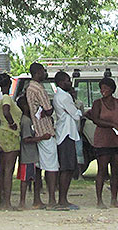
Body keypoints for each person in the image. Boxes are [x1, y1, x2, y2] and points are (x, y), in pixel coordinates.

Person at [89, 76, 118, 208]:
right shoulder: (98, 103)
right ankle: (99, 200)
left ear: (112, 89)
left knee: (116, 171)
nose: (103, 90)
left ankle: (114, 199)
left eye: (106, 88)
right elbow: (96, 119)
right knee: (102, 171)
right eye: (101, 88)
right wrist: (112, 125)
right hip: (103, 140)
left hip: (117, 141)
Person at [25, 62, 58, 206]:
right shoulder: (39, 88)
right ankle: (52, 199)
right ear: (38, 72)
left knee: (38, 168)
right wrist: (47, 111)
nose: (45, 74)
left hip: (36, 129)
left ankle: (37, 200)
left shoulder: (29, 88)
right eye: (43, 71)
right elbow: (49, 110)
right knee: (51, 167)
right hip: (45, 131)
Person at [51, 71, 80, 210]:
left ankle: (63, 199)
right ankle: (62, 200)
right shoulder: (64, 96)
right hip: (66, 134)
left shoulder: (59, 96)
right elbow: (75, 114)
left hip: (66, 133)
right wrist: (79, 111)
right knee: (66, 168)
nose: (70, 83)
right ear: (61, 82)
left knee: (68, 168)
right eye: (68, 80)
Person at [16, 93, 47, 209]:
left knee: (35, 178)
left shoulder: (30, 119)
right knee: (25, 179)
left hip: (33, 154)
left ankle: (36, 200)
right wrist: (41, 138)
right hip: (27, 155)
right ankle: (22, 202)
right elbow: (26, 139)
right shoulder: (25, 121)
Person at [0, 73, 20, 210]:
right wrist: (12, 123)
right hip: (10, 134)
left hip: (2, 134)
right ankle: (7, 202)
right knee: (8, 170)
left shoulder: (0, 99)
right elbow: (6, 111)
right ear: (9, 85)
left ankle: (2, 200)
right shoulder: (6, 99)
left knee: (3, 170)